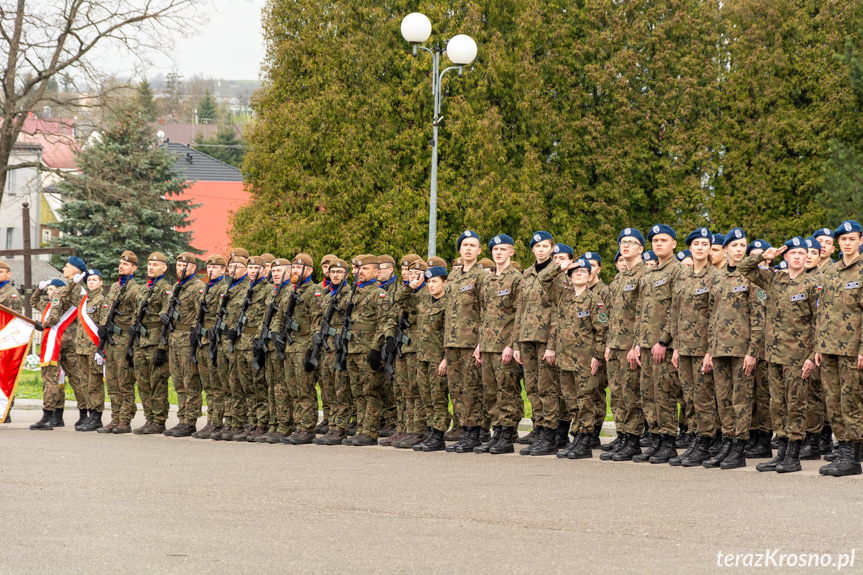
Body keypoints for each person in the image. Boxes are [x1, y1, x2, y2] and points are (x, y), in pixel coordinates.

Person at [739, 238, 819, 473]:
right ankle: (781, 453)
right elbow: (744, 268)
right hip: (773, 355)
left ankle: (793, 455)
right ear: (785, 257)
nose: (796, 257)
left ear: (806, 258)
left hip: (798, 356)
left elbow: (818, 321)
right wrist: (765, 256)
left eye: (801, 253)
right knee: (777, 405)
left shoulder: (812, 284)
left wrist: (812, 355)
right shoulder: (775, 279)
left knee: (795, 404)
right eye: (792, 253)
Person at [701, 228, 765, 469]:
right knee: (723, 399)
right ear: (724, 249)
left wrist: (752, 351)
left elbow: (758, 317)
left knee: (741, 399)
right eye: (735, 245)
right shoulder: (716, 278)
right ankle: (727, 442)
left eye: (743, 245)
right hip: (719, 349)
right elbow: (711, 316)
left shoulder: (752, 276)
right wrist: (709, 349)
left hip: (741, 350)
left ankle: (739, 447)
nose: (739, 250)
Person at [544, 258, 608, 459]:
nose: (579, 274)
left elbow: (602, 330)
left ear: (590, 276)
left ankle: (586, 440)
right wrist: (560, 268)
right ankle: (577, 437)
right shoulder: (564, 297)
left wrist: (598, 356)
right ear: (570, 277)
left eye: (583, 271)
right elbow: (544, 280)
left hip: (584, 360)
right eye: (575, 272)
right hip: (566, 360)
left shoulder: (594, 300)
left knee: (585, 400)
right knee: (571, 402)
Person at [629, 224, 682, 464]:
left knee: (665, 394)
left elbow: (676, 310)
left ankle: (669, 442)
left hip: (664, 346)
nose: (658, 244)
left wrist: (664, 341)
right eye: (655, 240)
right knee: (648, 394)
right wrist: (638, 343)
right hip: (646, 345)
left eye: (663, 240)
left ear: (673, 244)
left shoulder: (677, 271)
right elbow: (641, 311)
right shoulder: (649, 275)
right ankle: (655, 439)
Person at [814, 220, 863, 476]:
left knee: (851, 402)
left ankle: (853, 458)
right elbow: (823, 311)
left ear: (860, 240)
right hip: (830, 348)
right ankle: (842, 451)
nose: (847, 243)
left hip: (852, 349)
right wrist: (819, 346)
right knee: (833, 403)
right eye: (843, 239)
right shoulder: (830, 272)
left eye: (851, 239)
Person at [669, 227, 719, 466]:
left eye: (704, 244)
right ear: (689, 248)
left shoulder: (715, 277)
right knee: (689, 397)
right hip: (685, 348)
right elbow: (676, 314)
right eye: (696, 244)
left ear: (710, 248)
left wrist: (711, 350)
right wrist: (676, 346)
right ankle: (695, 439)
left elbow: (717, 317)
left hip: (703, 348)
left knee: (704, 397)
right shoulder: (682, 276)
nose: (700, 248)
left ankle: (707, 442)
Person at [472, 234, 523, 454]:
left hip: (505, 346)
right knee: (490, 392)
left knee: (507, 392)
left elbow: (519, 315)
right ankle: (497, 431)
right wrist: (479, 344)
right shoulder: (487, 280)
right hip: (487, 345)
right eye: (495, 250)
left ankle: (508, 434)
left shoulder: (517, 279)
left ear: (512, 252)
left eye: (503, 249)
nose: (499, 253)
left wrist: (512, 345)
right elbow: (484, 314)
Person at [514, 231, 562, 456]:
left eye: (545, 246)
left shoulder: (558, 274)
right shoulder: (526, 273)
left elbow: (558, 311)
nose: (541, 249)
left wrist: (552, 345)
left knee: (547, 388)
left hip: (545, 339)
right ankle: (539, 429)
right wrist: (515, 343)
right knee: (532, 388)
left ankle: (550, 435)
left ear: (552, 248)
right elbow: (520, 310)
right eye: (537, 246)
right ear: (532, 250)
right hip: (526, 338)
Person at [341, 255, 397, 446]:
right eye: (357, 269)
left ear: (375, 272)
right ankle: (361, 428)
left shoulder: (379, 294)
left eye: (364, 269)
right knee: (357, 392)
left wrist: (375, 349)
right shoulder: (354, 293)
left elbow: (384, 323)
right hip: (352, 349)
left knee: (370, 391)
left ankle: (370, 431)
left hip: (367, 350)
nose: (359, 272)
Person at [601, 228, 647, 461]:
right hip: (616, 344)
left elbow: (643, 313)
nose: (625, 245)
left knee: (631, 394)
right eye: (622, 242)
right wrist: (609, 343)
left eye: (631, 242)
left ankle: (634, 439)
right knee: (617, 394)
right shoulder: (619, 278)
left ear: (641, 248)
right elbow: (612, 315)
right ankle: (623, 435)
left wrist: (636, 343)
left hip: (631, 345)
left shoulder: (644, 275)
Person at [444, 232, 487, 452]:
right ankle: (463, 429)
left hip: (471, 342)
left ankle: (474, 432)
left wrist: (481, 342)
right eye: (464, 245)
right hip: (452, 342)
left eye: (473, 245)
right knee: (457, 389)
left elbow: (487, 310)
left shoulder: (482, 277)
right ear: (459, 250)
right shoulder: (452, 277)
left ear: (479, 251)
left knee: (471, 389)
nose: (468, 249)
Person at [273, 253, 320, 445]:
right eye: (293, 268)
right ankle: (297, 425)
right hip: (290, 347)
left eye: (299, 268)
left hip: (303, 345)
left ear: (308, 270)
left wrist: (311, 350)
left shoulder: (314, 291)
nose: (295, 271)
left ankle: (307, 428)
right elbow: (278, 316)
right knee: (292, 389)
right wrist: (276, 333)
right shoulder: (290, 292)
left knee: (305, 389)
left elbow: (317, 322)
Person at [404, 265, 449, 452]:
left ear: (444, 283)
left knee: (438, 398)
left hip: (438, 358)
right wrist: (410, 287)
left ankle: (439, 434)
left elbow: (450, 333)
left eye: (434, 282)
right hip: (422, 357)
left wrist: (446, 359)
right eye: (428, 282)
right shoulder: (423, 300)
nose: (430, 285)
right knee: (426, 397)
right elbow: (399, 300)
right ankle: (430, 431)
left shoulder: (448, 303)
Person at [95, 251, 142, 434]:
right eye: (120, 262)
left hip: (124, 340)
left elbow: (137, 315)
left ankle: (125, 420)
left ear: (134, 268)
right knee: (112, 383)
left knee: (125, 383)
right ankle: (115, 418)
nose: (121, 266)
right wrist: (102, 327)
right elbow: (107, 311)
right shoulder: (114, 287)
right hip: (111, 341)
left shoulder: (134, 289)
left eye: (126, 264)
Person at [40, 256, 88, 428]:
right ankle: (84, 415)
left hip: (58, 339)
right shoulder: (84, 292)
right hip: (75, 340)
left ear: (74, 271)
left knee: (51, 377)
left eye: (67, 266)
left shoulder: (62, 291)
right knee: (77, 378)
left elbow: (53, 316)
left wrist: (42, 325)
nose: (64, 268)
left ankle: (49, 417)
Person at [129, 252, 172, 436]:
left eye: (155, 264)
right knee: (143, 382)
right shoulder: (143, 289)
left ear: (164, 267)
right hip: (141, 341)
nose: (151, 267)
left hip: (155, 342)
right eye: (149, 264)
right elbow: (136, 312)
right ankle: (149, 418)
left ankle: (159, 420)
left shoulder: (166, 289)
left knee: (157, 382)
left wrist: (162, 348)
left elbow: (166, 316)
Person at [162, 253, 205, 437]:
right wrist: (163, 314)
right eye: (178, 265)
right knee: (178, 382)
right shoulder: (176, 286)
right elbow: (167, 306)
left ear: (193, 268)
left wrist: (195, 337)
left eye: (184, 265)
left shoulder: (198, 287)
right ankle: (182, 419)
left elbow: (200, 314)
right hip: (174, 339)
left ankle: (190, 421)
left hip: (188, 340)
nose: (181, 268)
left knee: (190, 382)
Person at [313, 258, 354, 445]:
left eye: (339, 272)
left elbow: (352, 322)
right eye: (332, 272)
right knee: (328, 389)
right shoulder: (328, 294)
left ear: (346, 274)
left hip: (339, 348)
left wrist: (337, 334)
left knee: (341, 390)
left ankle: (341, 428)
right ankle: (332, 425)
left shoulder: (349, 294)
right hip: (326, 348)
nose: (335, 275)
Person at [212, 248, 251, 440]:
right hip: (222, 341)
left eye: (238, 266)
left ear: (246, 269)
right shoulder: (228, 288)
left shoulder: (246, 289)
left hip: (237, 342)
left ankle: (240, 422)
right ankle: (230, 421)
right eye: (231, 266)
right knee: (226, 385)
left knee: (238, 385)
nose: (233, 269)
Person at [192, 254, 229, 439]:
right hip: (202, 343)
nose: (211, 271)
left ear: (224, 270)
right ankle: (210, 421)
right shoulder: (207, 288)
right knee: (208, 385)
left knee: (217, 386)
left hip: (214, 343)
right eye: (209, 268)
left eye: (215, 268)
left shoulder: (224, 289)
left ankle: (217, 422)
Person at [233, 255, 269, 441]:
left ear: (264, 271)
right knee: (247, 387)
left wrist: (259, 339)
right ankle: (252, 422)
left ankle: (262, 424)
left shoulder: (268, 290)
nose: (253, 272)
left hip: (255, 343)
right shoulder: (245, 290)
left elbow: (267, 318)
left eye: (257, 269)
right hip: (242, 343)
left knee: (259, 386)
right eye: (251, 269)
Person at [28, 278, 69, 430]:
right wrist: (39, 289)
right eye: (48, 290)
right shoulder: (48, 305)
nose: (49, 292)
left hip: (58, 346)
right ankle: (57, 417)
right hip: (51, 345)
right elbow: (33, 302)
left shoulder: (62, 306)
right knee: (56, 381)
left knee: (52, 381)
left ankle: (50, 416)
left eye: (51, 289)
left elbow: (54, 320)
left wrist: (43, 325)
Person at [75, 270, 106, 431]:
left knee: (94, 383)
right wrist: (74, 283)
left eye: (95, 280)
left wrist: (101, 349)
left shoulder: (102, 300)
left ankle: (96, 416)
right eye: (89, 280)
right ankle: (89, 413)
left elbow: (103, 327)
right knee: (84, 383)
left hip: (94, 349)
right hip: (81, 348)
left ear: (101, 282)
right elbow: (66, 297)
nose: (91, 282)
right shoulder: (84, 300)